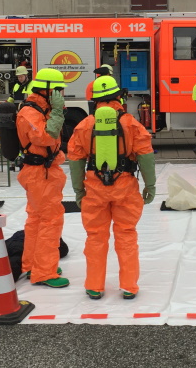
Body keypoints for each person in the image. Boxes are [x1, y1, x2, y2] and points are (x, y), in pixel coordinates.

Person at [67, 76, 156, 300]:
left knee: (95, 237)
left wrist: (78, 191)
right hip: (125, 185)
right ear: (119, 97)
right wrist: (150, 185)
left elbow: (76, 160)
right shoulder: (131, 124)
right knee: (126, 235)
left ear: (94, 100)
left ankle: (94, 286)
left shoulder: (84, 125)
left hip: (94, 188)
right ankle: (128, 286)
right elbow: (145, 156)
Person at [16, 67, 69, 288]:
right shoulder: (29, 113)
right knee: (49, 221)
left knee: (37, 221)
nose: (60, 94)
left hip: (44, 173)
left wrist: (55, 111)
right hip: (39, 175)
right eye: (57, 90)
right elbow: (47, 138)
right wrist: (57, 113)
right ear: (46, 90)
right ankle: (44, 273)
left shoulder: (40, 110)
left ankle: (32, 265)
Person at [0, 231, 69, 299]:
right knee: (14, 265)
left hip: (5, 243)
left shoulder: (28, 228)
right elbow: (63, 250)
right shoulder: (47, 235)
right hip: (24, 247)